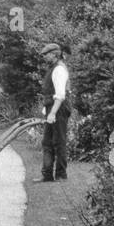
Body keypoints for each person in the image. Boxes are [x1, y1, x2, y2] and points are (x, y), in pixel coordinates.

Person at [39, 42, 71, 181]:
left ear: (55, 54)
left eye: (47, 54)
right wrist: (46, 110)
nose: (45, 57)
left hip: (59, 109)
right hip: (52, 108)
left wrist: (52, 113)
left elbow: (60, 95)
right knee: (47, 142)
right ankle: (47, 175)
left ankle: (61, 175)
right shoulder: (53, 68)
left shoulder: (59, 70)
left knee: (59, 142)